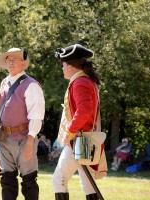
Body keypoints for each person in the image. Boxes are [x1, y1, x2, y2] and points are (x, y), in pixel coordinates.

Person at [0, 48, 45, 200]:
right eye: (8, 60)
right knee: (7, 180)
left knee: (28, 180)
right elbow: (6, 109)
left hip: (24, 138)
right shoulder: (4, 83)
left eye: (15, 59)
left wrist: (30, 141)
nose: (11, 62)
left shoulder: (31, 85)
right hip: (4, 137)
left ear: (23, 63)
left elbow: (36, 116)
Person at [52, 44, 102, 200]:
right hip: (84, 138)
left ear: (72, 66)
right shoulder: (83, 81)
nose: (62, 69)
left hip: (79, 138)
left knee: (58, 178)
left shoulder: (80, 83)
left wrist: (70, 132)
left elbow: (84, 112)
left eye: (64, 65)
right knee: (88, 182)